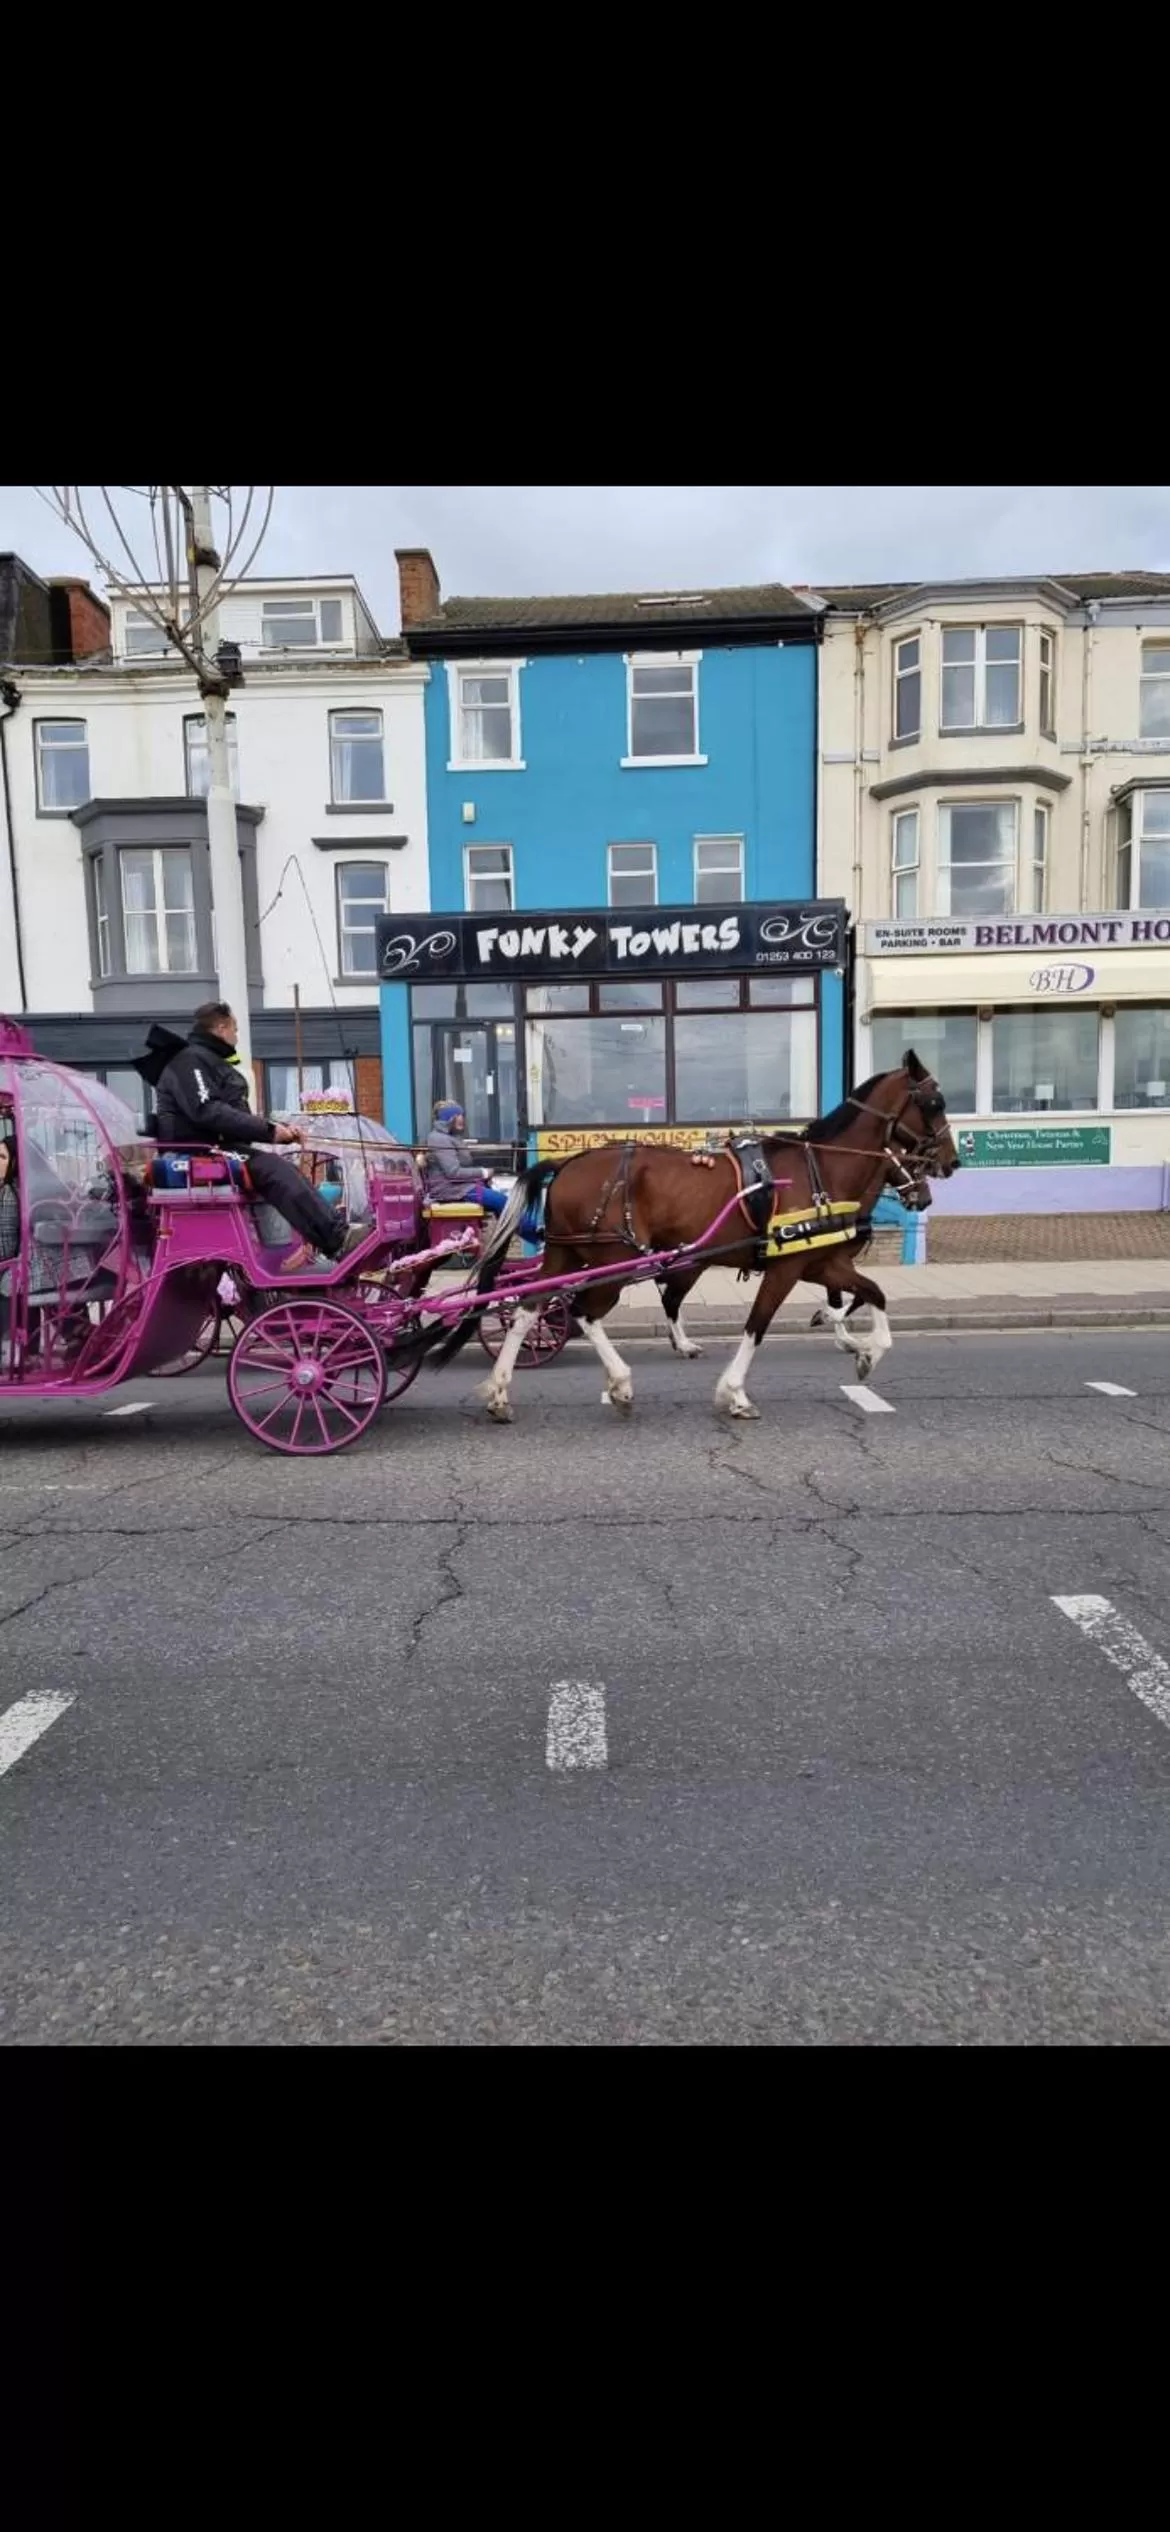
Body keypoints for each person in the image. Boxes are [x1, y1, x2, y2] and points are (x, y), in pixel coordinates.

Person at [151, 1003, 363, 1268]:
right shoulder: (190, 1061)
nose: (237, 1037)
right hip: (198, 1151)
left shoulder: (202, 1060)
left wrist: (276, 1128)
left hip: (216, 1147)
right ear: (221, 1028)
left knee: (282, 1167)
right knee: (273, 1167)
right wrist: (271, 1132)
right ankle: (337, 1238)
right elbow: (208, 1111)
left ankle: (331, 1236)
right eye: (235, 1030)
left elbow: (230, 1114)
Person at [424, 1101, 544, 1244]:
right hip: (452, 1191)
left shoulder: (450, 1137)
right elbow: (453, 1172)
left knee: (503, 1202)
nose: (462, 1119)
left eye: (462, 1115)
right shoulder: (439, 1139)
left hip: (461, 1188)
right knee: (502, 1201)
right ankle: (536, 1234)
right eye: (458, 1115)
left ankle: (533, 1238)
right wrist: (483, 1173)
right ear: (449, 1118)